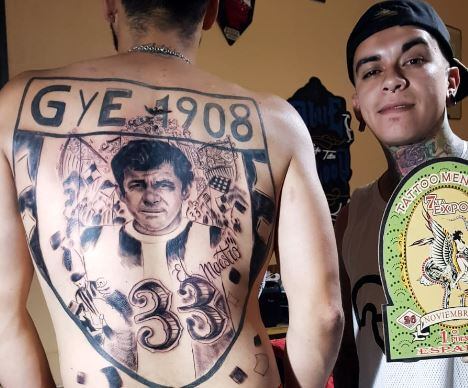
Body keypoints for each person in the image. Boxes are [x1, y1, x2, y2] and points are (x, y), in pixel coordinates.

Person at [0, 1, 343, 387]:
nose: (151, 196)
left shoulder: (16, 106)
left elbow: (2, 318)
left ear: (111, 6)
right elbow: (324, 313)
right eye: (137, 184)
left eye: (163, 184)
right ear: (212, 11)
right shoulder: (277, 123)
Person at [333, 1, 468, 387]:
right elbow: (348, 357)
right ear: (358, 106)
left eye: (413, 60)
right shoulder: (351, 218)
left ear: (452, 81)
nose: (391, 79)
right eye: (372, 70)